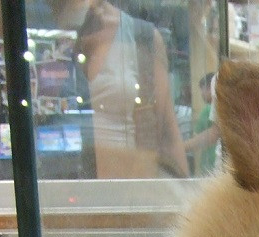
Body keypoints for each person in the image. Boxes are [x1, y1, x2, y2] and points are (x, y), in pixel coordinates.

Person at [48, 0, 190, 178]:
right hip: (66, 188)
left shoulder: (141, 38)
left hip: (131, 187)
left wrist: (185, 197)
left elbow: (168, 134)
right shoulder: (51, 35)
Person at [184, 72, 220, 175]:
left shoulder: (206, 110)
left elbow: (213, 133)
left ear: (210, 87)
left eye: (202, 89)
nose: (201, 94)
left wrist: (180, 148)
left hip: (213, 164)